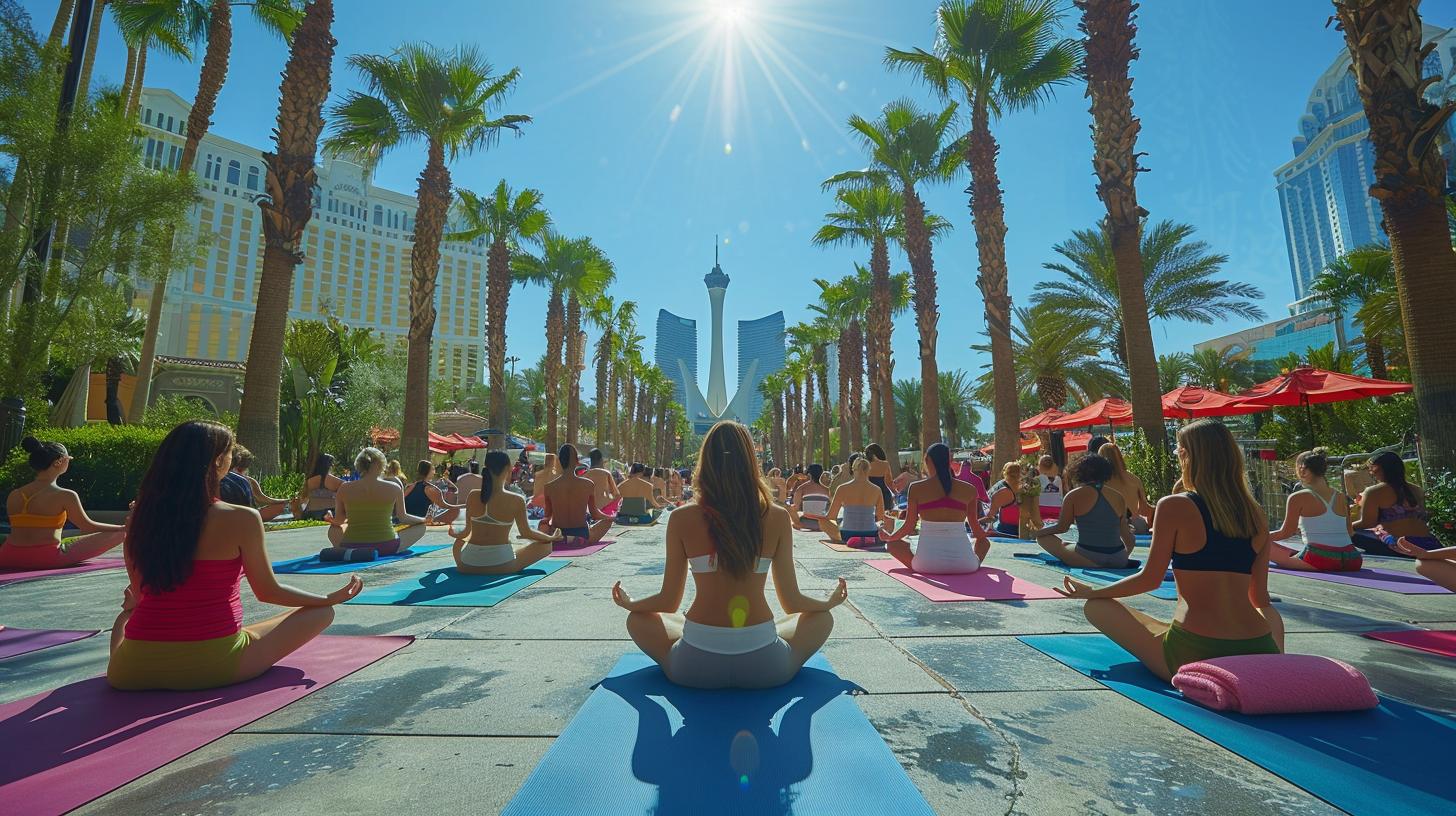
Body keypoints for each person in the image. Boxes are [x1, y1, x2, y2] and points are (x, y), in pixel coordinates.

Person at [107, 421, 361, 691]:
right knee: (321, 613)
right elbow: (268, 592)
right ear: (218, 462)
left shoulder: (138, 519)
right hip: (214, 664)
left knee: (128, 613)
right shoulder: (242, 518)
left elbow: (140, 593)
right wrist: (326, 598)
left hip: (131, 670)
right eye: (230, 453)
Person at [612, 421, 847, 689]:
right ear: (750, 462)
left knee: (640, 619)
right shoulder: (778, 517)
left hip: (693, 666)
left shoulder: (680, 518)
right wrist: (827, 602)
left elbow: (668, 602)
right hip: (766, 666)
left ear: (705, 462)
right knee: (822, 618)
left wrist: (631, 603)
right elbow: (792, 603)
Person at [1053, 420, 1283, 683]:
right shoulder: (1256, 516)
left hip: (1196, 651)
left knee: (1096, 607)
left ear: (1186, 455)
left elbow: (1149, 579)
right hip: (1258, 646)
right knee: (1266, 614)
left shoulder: (1174, 506)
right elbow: (1261, 600)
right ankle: (1277, 661)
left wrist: (1093, 592)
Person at [0, 436, 126, 569]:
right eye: (68, 459)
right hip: (45, 558)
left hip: (7, 556)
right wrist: (124, 528)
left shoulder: (14, 495)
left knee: (67, 541)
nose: (69, 462)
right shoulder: (66, 495)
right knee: (121, 534)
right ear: (58, 462)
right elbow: (87, 527)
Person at [881, 443, 991, 573]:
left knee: (892, 545)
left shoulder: (916, 488)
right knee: (985, 543)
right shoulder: (969, 490)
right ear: (950, 461)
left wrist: (889, 538)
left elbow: (908, 526)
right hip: (966, 565)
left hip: (925, 565)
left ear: (927, 460)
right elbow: (977, 533)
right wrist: (985, 532)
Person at [449, 450, 561, 572]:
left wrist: (455, 534)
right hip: (501, 563)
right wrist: (550, 538)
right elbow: (526, 533)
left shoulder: (473, 496)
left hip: (469, 562)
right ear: (508, 469)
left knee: (461, 541)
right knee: (546, 545)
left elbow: (465, 533)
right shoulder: (516, 500)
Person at [1267, 448, 1361, 572]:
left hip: (1321, 559)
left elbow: (1285, 533)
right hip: (1352, 559)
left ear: (1303, 470)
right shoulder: (1341, 496)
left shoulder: (1297, 497)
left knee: (1260, 543)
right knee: (1298, 551)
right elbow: (1349, 532)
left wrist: (1258, 537)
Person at [323, 448, 428, 559]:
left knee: (333, 529)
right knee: (421, 527)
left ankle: (350, 553)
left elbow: (339, 520)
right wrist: (424, 520)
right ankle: (371, 552)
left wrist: (330, 519)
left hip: (351, 545)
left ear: (359, 465)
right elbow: (403, 517)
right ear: (381, 465)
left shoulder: (344, 488)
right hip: (387, 546)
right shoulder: (394, 487)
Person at [1035, 454, 1136, 568]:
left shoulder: (1073, 495)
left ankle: (1094, 565)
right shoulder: (1118, 497)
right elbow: (1129, 538)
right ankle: (1107, 562)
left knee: (1044, 538)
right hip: (1118, 558)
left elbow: (1062, 527)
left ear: (1077, 472)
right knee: (1070, 545)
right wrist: (1123, 557)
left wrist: (1038, 533)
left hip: (1088, 557)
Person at [1353, 452, 1439, 555]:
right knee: (1377, 530)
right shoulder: (1417, 489)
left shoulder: (1374, 492)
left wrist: (1344, 525)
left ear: (1382, 469)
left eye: (1373, 469)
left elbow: (1367, 523)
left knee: (1351, 533)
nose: (1372, 473)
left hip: (1402, 546)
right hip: (1428, 543)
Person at [541, 445, 614, 542]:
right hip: (581, 534)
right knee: (607, 522)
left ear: (560, 461)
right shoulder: (588, 484)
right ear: (577, 461)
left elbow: (547, 516)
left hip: (558, 534)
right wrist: (612, 518)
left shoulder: (549, 487)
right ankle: (575, 539)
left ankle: (564, 539)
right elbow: (595, 514)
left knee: (543, 524)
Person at [820, 457, 888, 546]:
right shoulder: (877, 489)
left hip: (847, 534)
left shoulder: (842, 488)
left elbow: (831, 516)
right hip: (870, 533)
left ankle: (841, 540)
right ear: (868, 470)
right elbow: (880, 517)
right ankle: (866, 540)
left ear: (853, 470)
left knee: (822, 521)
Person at [218, 445, 291, 522]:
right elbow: (253, 512)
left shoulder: (243, 482)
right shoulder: (239, 482)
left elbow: (262, 500)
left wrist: (284, 503)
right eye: (241, 469)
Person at [1099, 443, 1154, 534]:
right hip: (1136, 525)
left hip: (1111, 528)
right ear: (1120, 456)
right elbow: (1144, 509)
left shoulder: (1099, 483)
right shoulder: (1134, 479)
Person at [404, 461, 464, 527]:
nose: (434, 472)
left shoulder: (410, 486)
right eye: (433, 469)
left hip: (406, 519)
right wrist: (465, 506)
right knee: (456, 510)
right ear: (428, 471)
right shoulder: (430, 489)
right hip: (418, 521)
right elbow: (445, 505)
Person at [981, 461, 1025, 538]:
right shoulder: (1005, 491)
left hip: (1005, 526)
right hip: (1002, 529)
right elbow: (990, 516)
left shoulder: (1007, 485)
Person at [293, 453, 342, 521]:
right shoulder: (333, 480)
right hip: (331, 512)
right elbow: (349, 490)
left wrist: (298, 513)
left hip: (311, 513)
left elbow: (301, 498)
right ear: (329, 466)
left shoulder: (309, 481)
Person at [786, 464, 831, 531]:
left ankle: (798, 524)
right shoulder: (827, 490)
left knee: (790, 508)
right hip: (822, 524)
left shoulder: (801, 488)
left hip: (805, 523)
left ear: (809, 474)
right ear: (821, 474)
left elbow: (796, 508)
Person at [585, 448, 622, 517]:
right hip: (605, 511)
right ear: (601, 460)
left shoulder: (585, 475)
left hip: (588, 510)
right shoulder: (606, 473)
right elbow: (617, 495)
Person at [863, 444, 896, 510]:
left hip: (869, 496)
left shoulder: (864, 466)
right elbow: (889, 483)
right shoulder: (885, 464)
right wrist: (896, 494)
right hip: (884, 496)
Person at [1036, 455, 1064, 521]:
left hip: (1041, 509)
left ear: (1040, 467)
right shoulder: (1058, 479)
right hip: (1058, 508)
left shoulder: (1037, 480)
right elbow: (1061, 494)